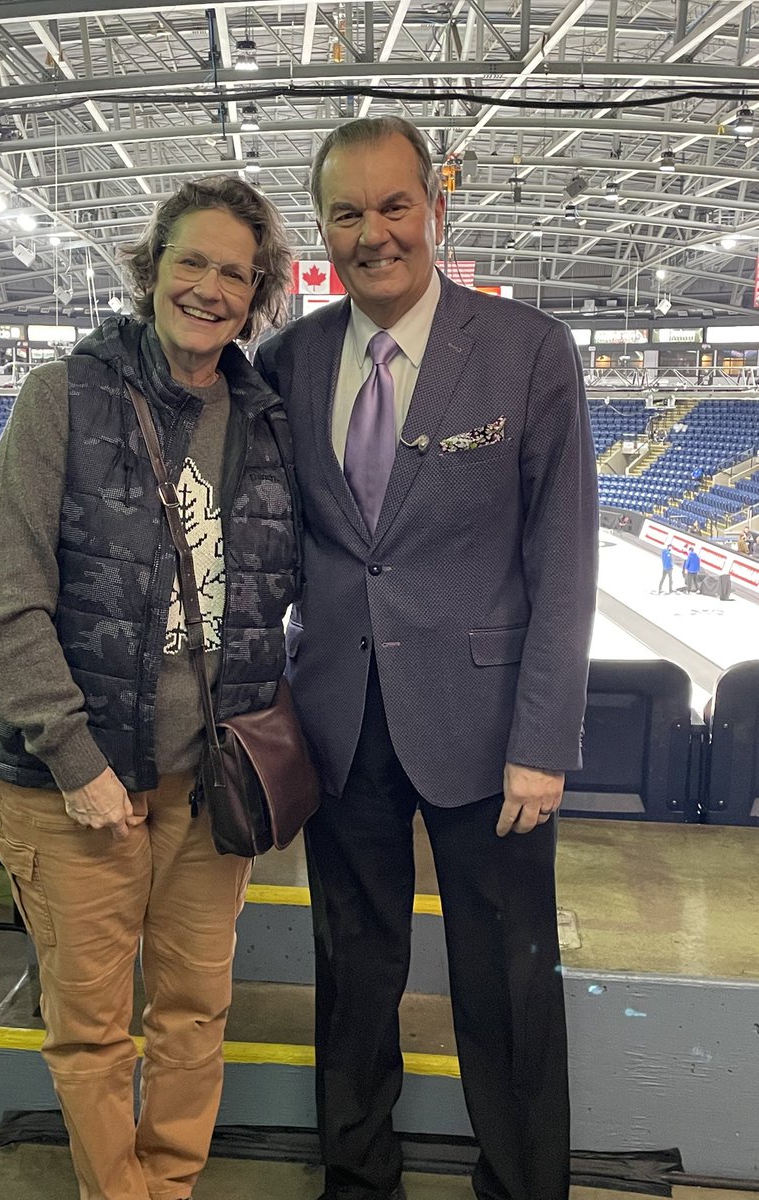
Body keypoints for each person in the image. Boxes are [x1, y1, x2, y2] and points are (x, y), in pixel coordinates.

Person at [256, 117, 598, 1200]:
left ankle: (524, 1184)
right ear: (323, 230)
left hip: (490, 733)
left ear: (436, 210)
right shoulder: (288, 363)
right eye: (346, 213)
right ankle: (358, 1183)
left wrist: (543, 741)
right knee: (353, 980)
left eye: (393, 205)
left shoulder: (526, 350)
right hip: (342, 724)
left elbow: (565, 558)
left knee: (509, 986)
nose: (373, 233)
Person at [0, 177, 297, 1200]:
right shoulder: (62, 397)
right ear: (149, 271)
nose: (209, 288)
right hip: (79, 786)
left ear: (258, 294)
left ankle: (173, 1185)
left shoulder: (266, 422)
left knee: (195, 1015)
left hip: (207, 786)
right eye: (189, 262)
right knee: (94, 1033)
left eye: (234, 272)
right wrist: (77, 759)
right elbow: (5, 607)